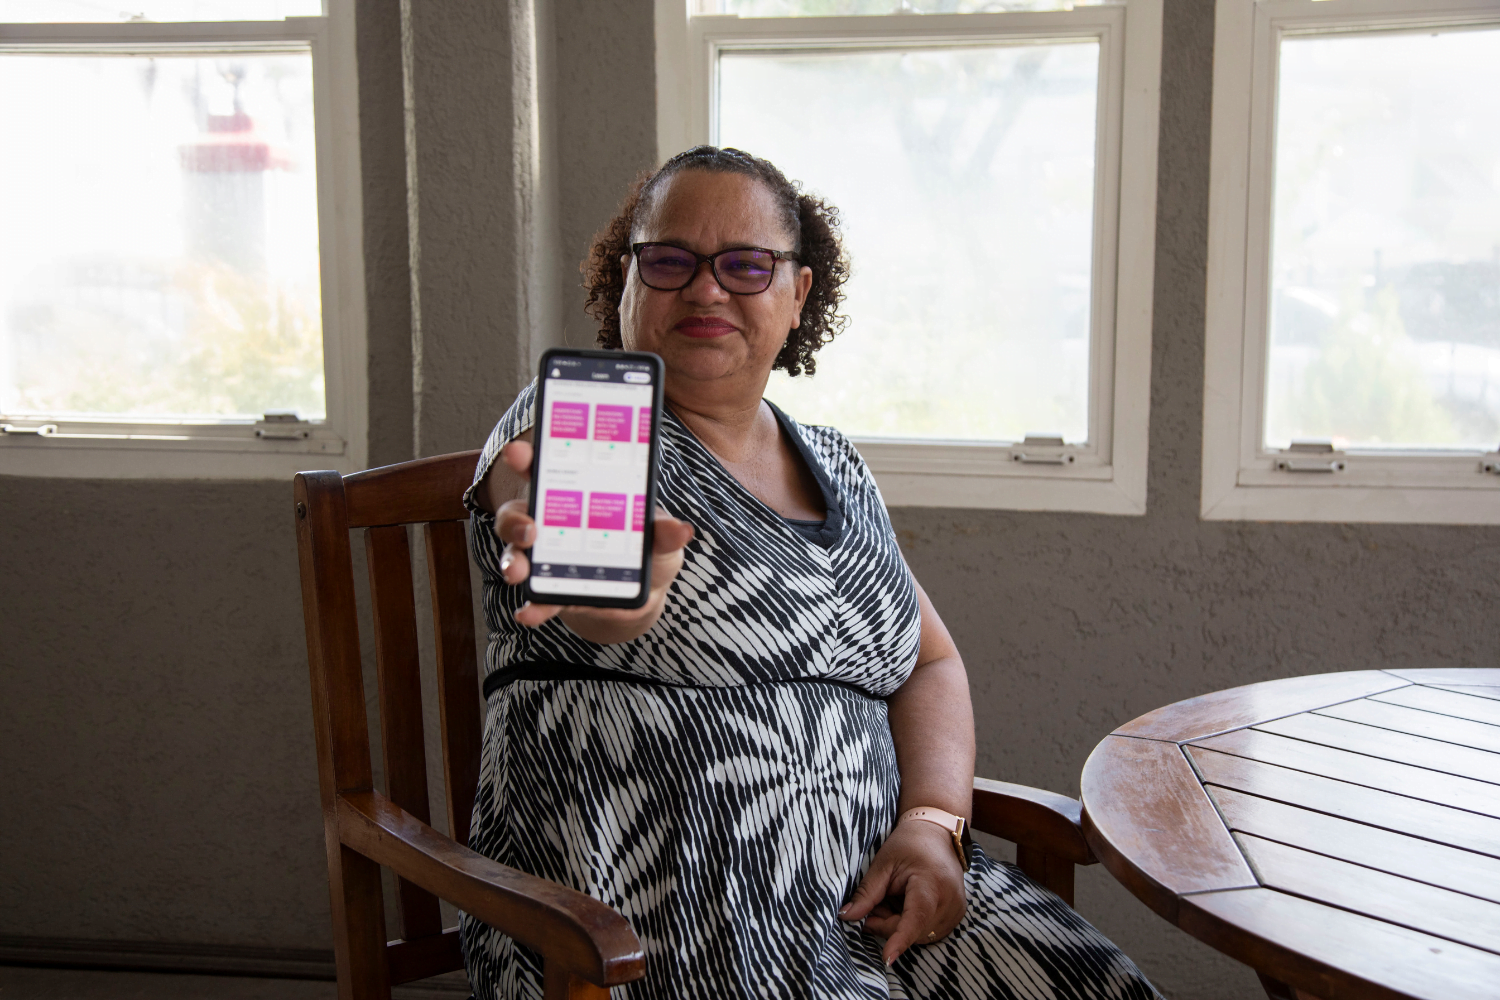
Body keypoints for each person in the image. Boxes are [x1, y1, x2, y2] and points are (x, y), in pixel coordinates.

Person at [463, 145, 1158, 1000]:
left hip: (874, 902)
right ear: (626, 286)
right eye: (670, 260)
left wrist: (933, 825)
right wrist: (609, 592)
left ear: (799, 296)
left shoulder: (837, 463)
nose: (706, 288)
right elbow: (581, 584)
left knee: (1101, 986)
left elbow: (929, 662)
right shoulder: (575, 431)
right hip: (663, 925)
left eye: (747, 266)